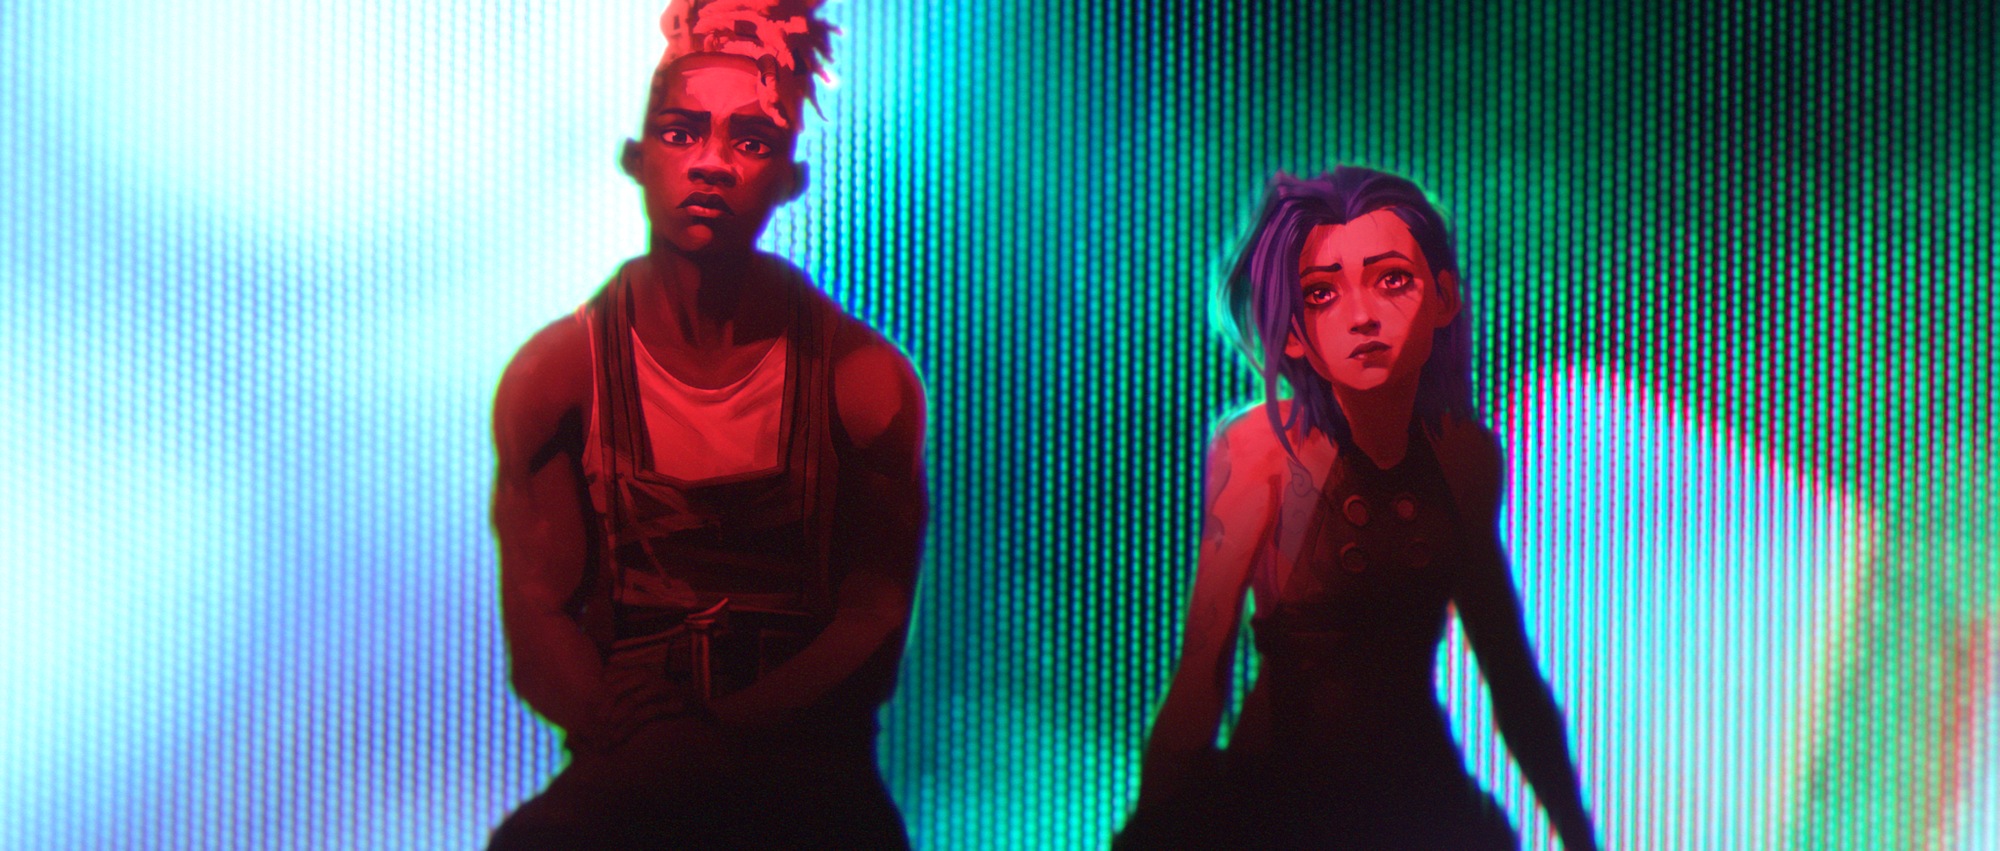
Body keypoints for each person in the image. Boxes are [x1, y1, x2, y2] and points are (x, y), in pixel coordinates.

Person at [486, 2, 924, 848]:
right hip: (627, 765)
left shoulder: (862, 381)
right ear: (637, 158)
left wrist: (724, 727)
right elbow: (538, 618)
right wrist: (637, 735)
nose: (713, 164)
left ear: (791, 178)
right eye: (683, 132)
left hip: (807, 778)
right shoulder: (559, 377)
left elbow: (872, 617)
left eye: (751, 140)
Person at [1121, 168, 1599, 849]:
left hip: (1414, 801)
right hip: (1274, 801)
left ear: (1443, 298)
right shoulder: (1258, 450)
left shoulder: (1463, 455)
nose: (1363, 315)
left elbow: (1508, 666)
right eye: (1322, 292)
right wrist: (1153, 828)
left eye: (1392, 280)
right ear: (1291, 330)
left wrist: (1579, 837)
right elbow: (1202, 674)